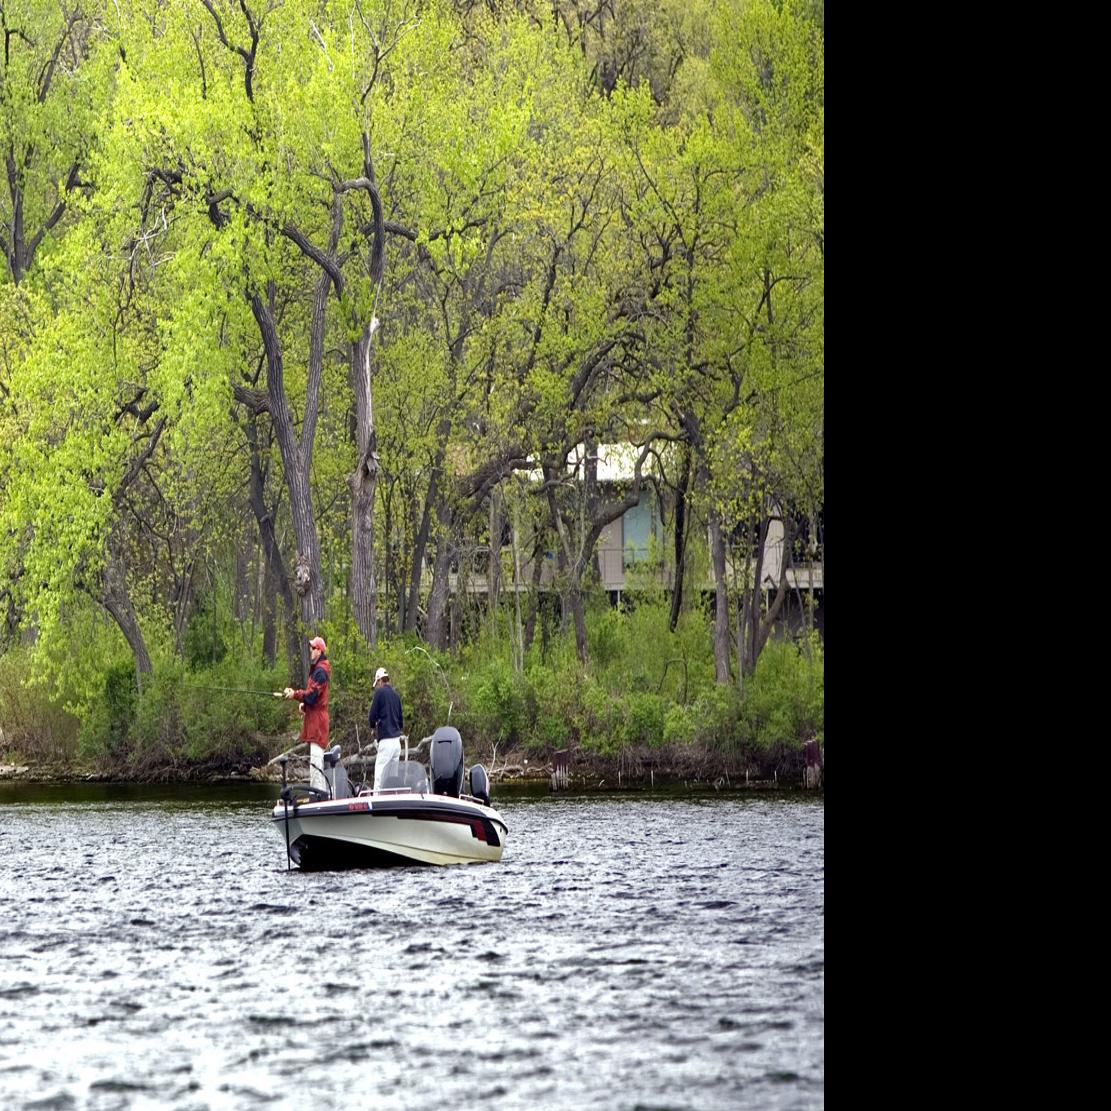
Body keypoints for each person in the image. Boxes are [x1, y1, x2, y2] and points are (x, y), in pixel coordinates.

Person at [284, 636, 331, 794]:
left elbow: (312, 695)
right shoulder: (318, 670)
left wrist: (294, 694)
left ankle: (319, 795)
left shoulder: (321, 672)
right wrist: (305, 706)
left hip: (318, 723)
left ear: (319, 651)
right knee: (315, 762)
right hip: (315, 719)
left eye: (313, 648)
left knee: (316, 763)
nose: (310, 650)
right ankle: (317, 794)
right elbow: (315, 699)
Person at [367, 665, 403, 791]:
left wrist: (372, 726)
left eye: (377, 683)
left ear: (380, 681)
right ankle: (393, 799)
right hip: (397, 742)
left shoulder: (379, 693)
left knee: (380, 774)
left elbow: (372, 715)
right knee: (392, 777)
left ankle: (376, 800)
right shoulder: (396, 695)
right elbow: (401, 719)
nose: (377, 686)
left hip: (386, 741)